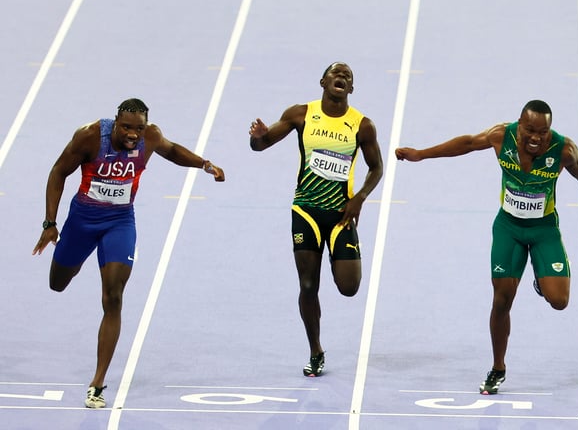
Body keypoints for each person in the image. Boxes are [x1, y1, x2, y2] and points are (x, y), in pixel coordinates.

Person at [395, 99, 578, 395]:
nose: (536, 138)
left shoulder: (563, 150)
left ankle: (541, 280)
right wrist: (421, 155)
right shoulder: (501, 136)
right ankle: (498, 367)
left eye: (543, 132)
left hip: (543, 230)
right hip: (509, 229)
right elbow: (466, 143)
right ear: (519, 125)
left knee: (559, 301)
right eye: (530, 130)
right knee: (502, 300)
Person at [31, 98, 225, 409]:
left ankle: (97, 383)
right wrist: (50, 222)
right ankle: (77, 258)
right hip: (82, 222)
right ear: (115, 123)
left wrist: (204, 164)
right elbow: (58, 172)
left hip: (120, 222)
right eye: (127, 128)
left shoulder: (151, 137)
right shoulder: (91, 136)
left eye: (139, 128)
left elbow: (172, 152)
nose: (133, 134)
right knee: (58, 282)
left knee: (114, 297)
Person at [249, 61, 383, 378]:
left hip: (340, 215)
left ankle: (320, 337)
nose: (341, 77)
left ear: (351, 89)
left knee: (349, 287)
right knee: (308, 285)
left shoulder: (362, 125)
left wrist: (359, 198)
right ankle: (315, 350)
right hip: (306, 211)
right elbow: (260, 146)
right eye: (336, 74)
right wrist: (258, 137)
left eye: (348, 76)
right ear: (323, 81)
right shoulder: (301, 114)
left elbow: (376, 168)